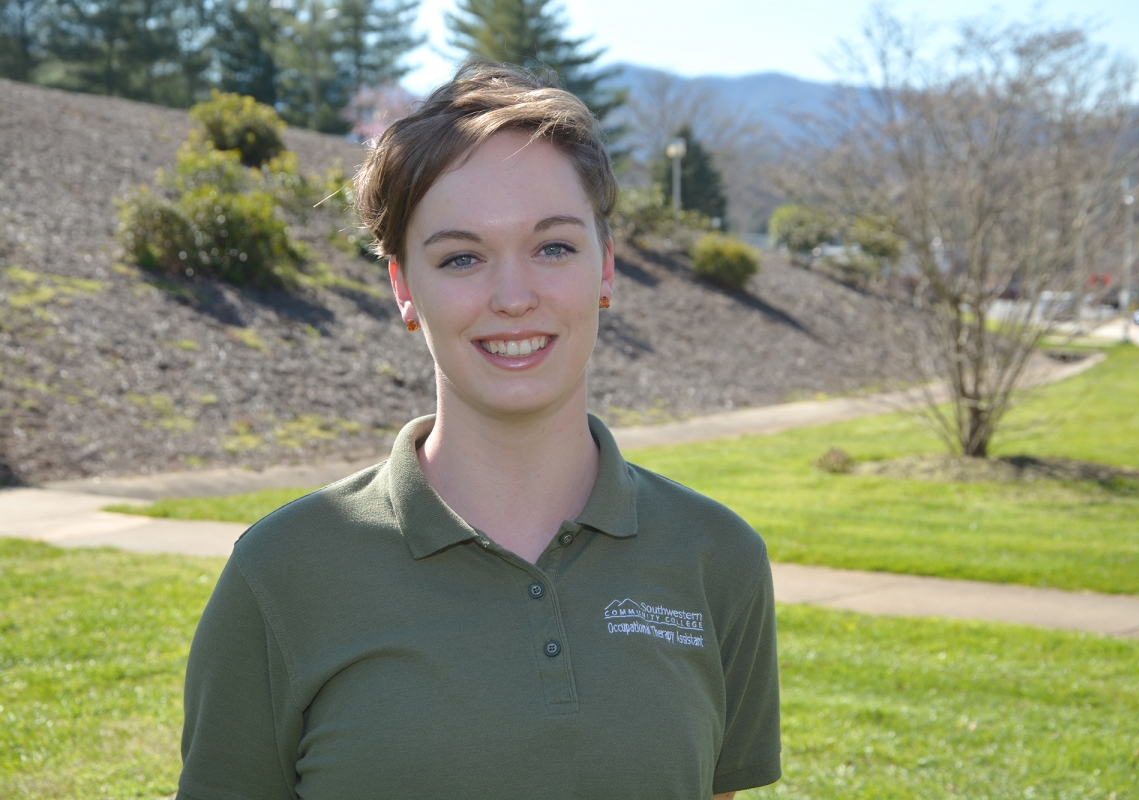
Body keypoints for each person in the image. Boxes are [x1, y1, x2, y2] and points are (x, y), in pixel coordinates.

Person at [177, 61, 780, 800]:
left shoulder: (717, 559)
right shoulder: (281, 574)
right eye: (461, 257)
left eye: (553, 246)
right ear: (404, 287)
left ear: (606, 268)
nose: (514, 296)